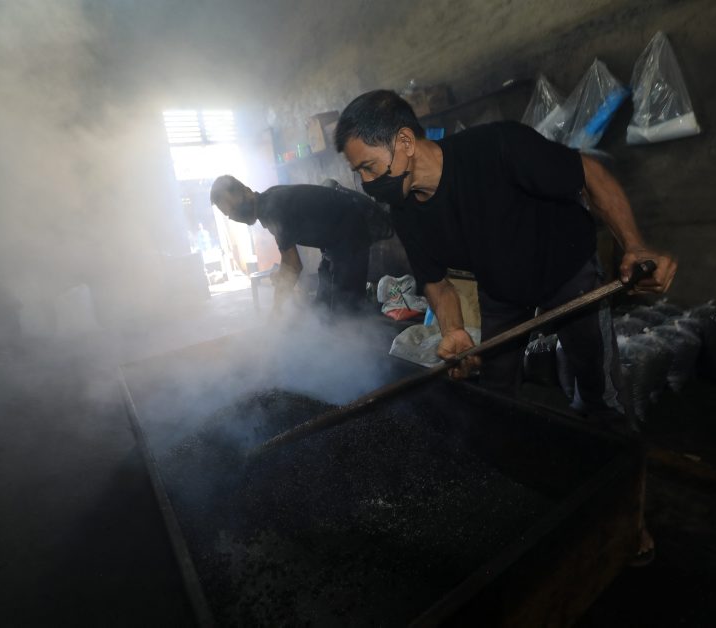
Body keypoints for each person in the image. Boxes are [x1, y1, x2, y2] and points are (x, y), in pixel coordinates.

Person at [335, 89, 677, 565]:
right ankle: (503, 502)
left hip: (567, 271)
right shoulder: (407, 212)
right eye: (360, 174)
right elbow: (435, 283)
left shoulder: (497, 147)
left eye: (369, 167)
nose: (367, 182)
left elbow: (590, 173)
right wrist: (453, 331)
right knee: (493, 395)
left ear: (405, 142)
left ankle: (628, 517)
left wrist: (634, 245)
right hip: (501, 288)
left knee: (601, 393)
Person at [209, 175, 392, 315]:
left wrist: (276, 310)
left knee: (345, 312)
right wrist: (282, 275)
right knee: (322, 307)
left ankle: (361, 345)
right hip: (336, 244)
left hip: (354, 232)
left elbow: (293, 266)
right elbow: (288, 260)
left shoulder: (272, 209)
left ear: (247, 191)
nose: (234, 216)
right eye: (229, 214)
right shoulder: (269, 200)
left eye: (234, 208)